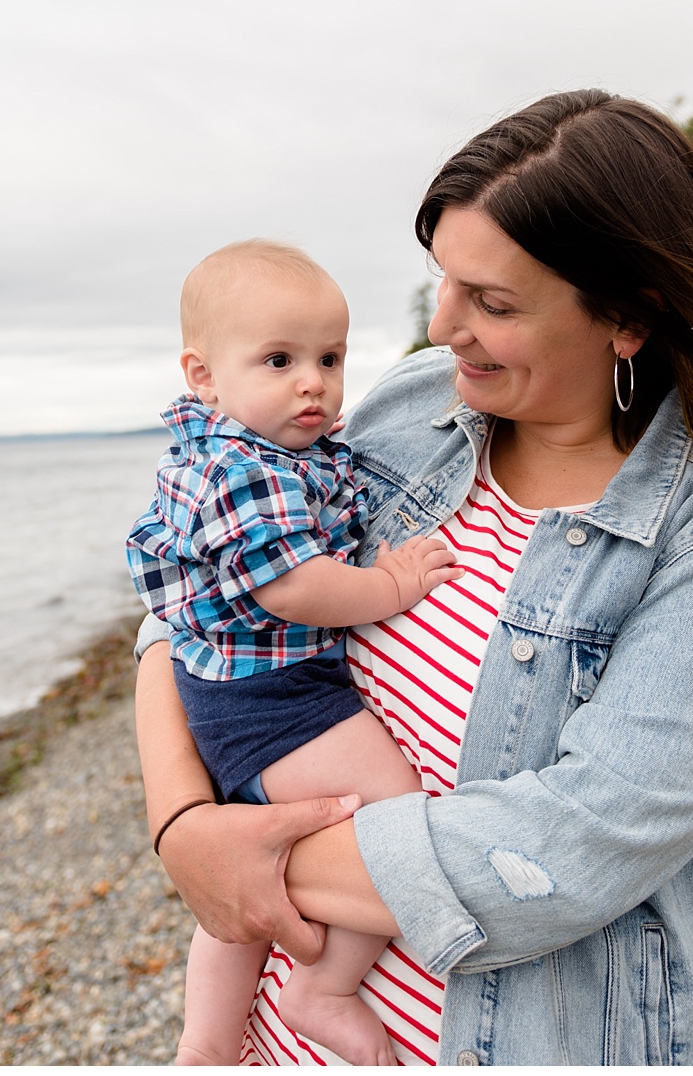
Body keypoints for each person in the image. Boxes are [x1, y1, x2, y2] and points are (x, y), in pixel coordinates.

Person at [134, 90, 693, 1065]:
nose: (443, 327)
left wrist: (248, 860)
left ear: (627, 318)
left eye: (491, 302)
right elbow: (190, 601)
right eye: (443, 281)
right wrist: (183, 823)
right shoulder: (414, 405)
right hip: (279, 1034)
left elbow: (579, 844)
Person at [126, 240, 463, 1065]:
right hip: (272, 694)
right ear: (202, 375)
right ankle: (324, 987)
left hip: (236, 693)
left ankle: (205, 1043)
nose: (313, 380)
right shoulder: (247, 466)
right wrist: (388, 588)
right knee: (390, 803)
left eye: (330, 357)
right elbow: (291, 587)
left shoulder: (260, 449)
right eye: (279, 359)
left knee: (240, 890)